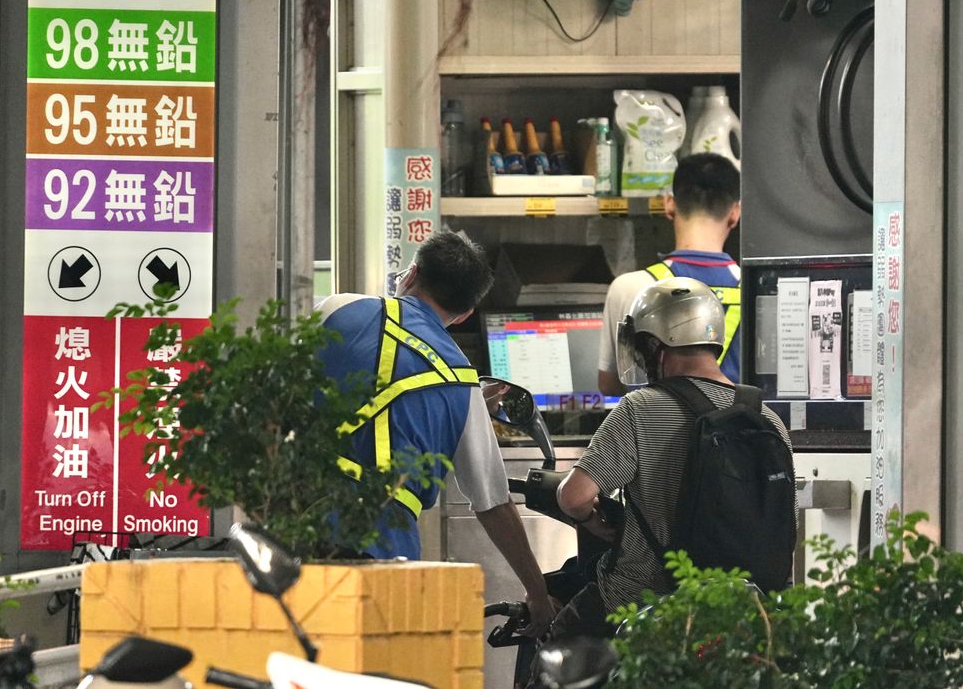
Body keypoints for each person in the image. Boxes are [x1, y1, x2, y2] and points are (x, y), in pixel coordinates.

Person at [316, 230, 556, 635]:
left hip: (292, 525)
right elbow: (494, 503)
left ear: (411, 274)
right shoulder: (462, 382)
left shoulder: (338, 308)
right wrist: (537, 592)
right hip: (386, 552)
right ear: (464, 315)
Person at [552, 277, 793, 639]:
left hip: (640, 603)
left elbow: (573, 496)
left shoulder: (639, 408)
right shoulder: (767, 419)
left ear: (655, 345)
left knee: (559, 644)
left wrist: (593, 521)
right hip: (745, 613)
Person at [597, 152, 742, 397]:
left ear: (669, 204)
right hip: (738, 422)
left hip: (649, 421)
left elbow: (610, 384)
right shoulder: (759, 293)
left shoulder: (629, 288)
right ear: (735, 213)